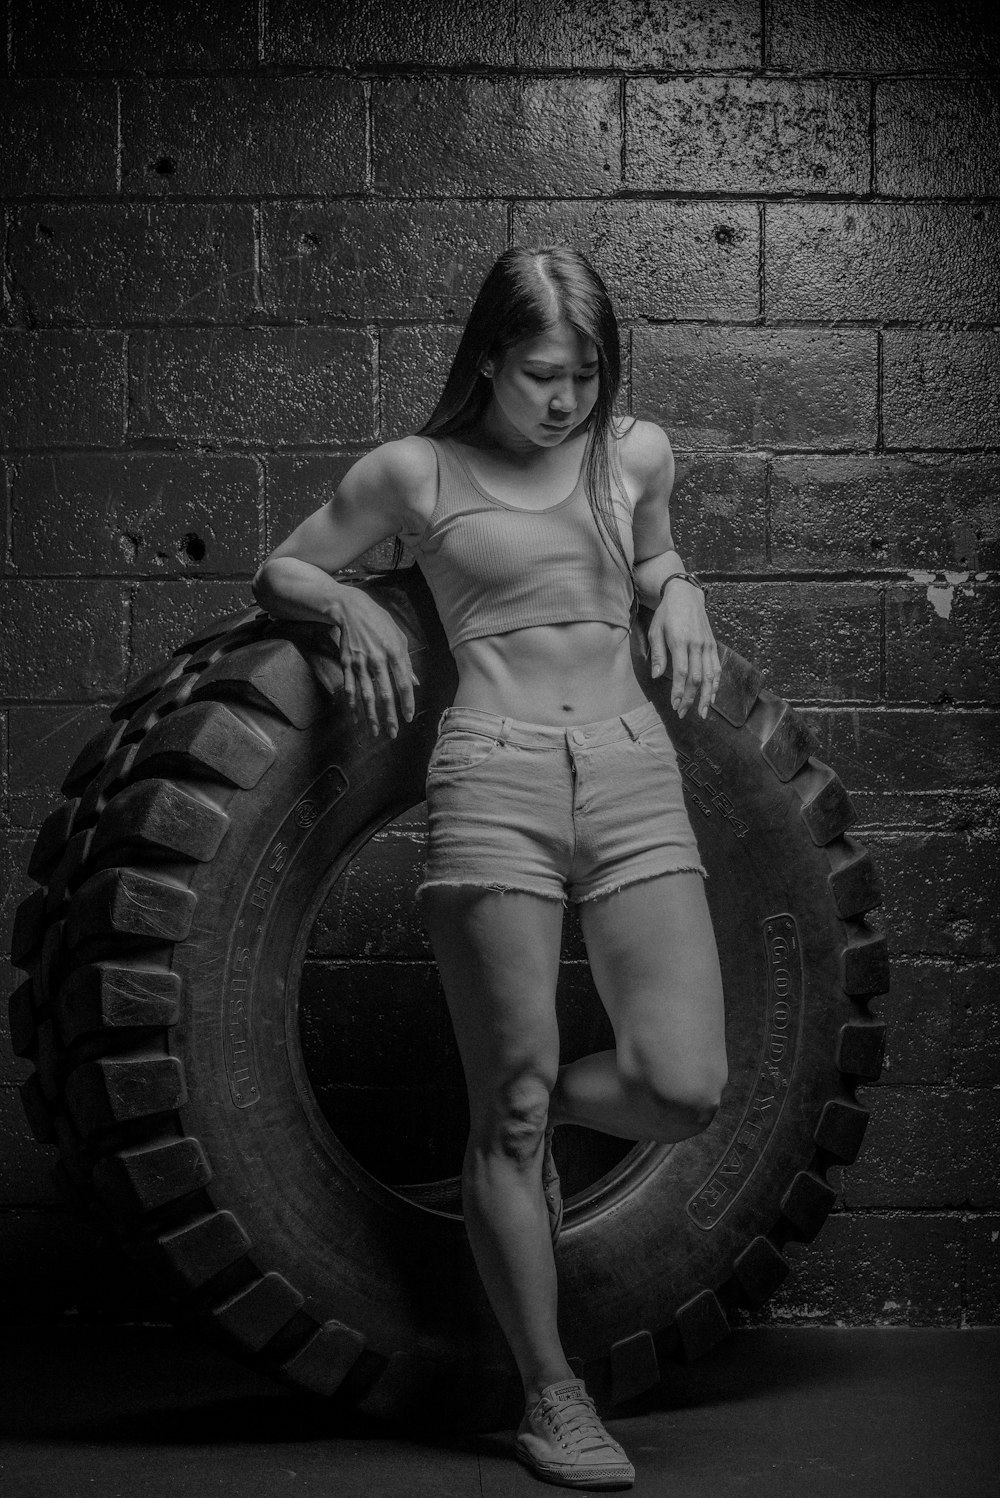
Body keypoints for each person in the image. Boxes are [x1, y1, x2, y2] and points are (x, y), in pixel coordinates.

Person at [252, 245, 727, 1491]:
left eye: (582, 376)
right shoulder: (415, 473)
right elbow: (282, 566)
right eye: (538, 376)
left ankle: (522, 1114)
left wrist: (678, 588)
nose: (562, 401)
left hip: (629, 766)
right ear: (486, 361)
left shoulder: (636, 454)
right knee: (505, 1110)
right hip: (494, 775)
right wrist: (343, 604)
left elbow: (656, 554)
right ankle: (551, 1393)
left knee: (681, 1086)